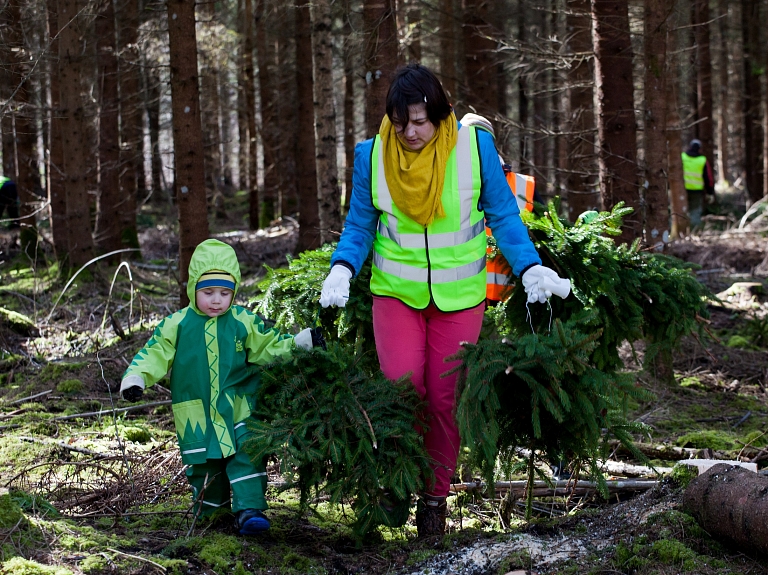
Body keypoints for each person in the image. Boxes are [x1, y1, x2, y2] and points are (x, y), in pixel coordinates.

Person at [319, 63, 569, 537]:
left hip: (460, 299)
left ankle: (434, 500)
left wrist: (530, 265)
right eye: (400, 122)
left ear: (440, 114)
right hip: (396, 296)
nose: (409, 132)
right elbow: (359, 225)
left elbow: (503, 215)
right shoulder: (372, 156)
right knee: (403, 389)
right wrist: (342, 268)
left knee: (444, 400)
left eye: (420, 121)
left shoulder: (474, 148)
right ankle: (398, 478)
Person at [120, 238, 324, 535]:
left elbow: (269, 345)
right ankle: (209, 515)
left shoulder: (242, 321)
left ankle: (250, 510)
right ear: (192, 289)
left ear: (234, 292)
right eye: (208, 292)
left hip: (238, 407)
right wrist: (136, 378)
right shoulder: (177, 324)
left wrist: (299, 343)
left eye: (224, 293)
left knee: (246, 456)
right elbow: (154, 353)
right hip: (197, 412)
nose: (216, 300)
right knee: (205, 466)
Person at [459, 113, 543, 304]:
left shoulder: (524, 186)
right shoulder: (450, 186)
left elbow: (549, 231)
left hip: (511, 303)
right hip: (463, 298)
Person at [681, 139, 715, 228]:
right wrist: (710, 192)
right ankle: (694, 231)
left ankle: (680, 231)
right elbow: (708, 178)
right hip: (696, 191)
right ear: (699, 148)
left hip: (682, 190)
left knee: (680, 211)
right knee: (695, 211)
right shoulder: (702, 160)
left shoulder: (682, 157)